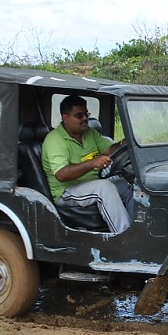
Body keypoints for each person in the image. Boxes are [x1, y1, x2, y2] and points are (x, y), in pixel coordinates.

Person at [41, 95, 133, 234]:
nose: (85, 119)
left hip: (91, 184)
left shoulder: (89, 133)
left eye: (86, 114)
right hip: (66, 191)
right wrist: (92, 164)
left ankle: (135, 230)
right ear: (65, 118)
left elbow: (109, 150)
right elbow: (61, 174)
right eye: (79, 115)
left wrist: (123, 143)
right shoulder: (55, 140)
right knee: (104, 188)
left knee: (130, 184)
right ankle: (125, 237)